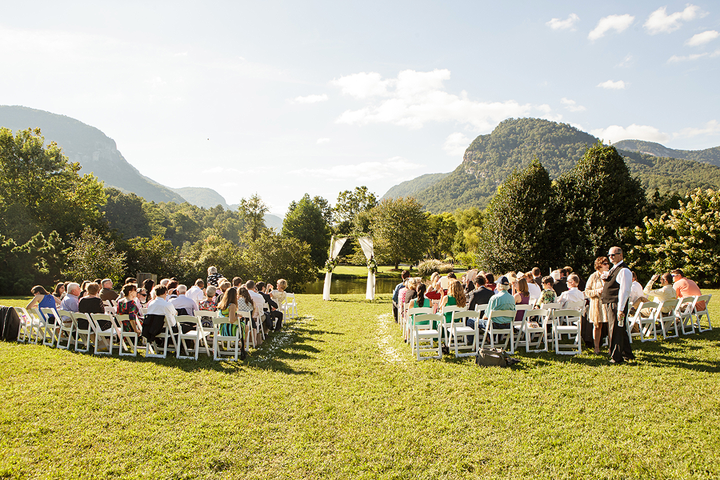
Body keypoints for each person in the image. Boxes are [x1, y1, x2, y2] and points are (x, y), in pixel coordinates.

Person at [602, 246, 634, 364]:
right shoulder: (614, 269)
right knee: (619, 328)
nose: (611, 257)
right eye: (609, 255)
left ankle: (616, 357)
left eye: (613, 255)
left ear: (621, 255)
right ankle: (627, 353)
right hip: (611, 302)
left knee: (615, 329)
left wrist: (620, 308)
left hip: (617, 303)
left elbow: (624, 290)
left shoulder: (624, 270)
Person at [585, 256, 610, 354]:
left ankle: (611, 347)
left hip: (607, 303)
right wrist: (597, 291)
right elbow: (587, 291)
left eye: (607, 263)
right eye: (604, 264)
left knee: (610, 326)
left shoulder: (610, 275)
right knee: (597, 326)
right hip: (596, 304)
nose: (607, 265)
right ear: (599, 266)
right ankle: (596, 347)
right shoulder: (593, 276)